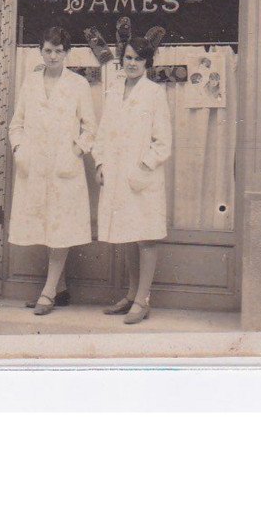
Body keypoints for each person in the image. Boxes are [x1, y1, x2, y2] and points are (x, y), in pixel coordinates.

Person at [8, 26, 97, 315]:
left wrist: (75, 152)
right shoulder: (31, 82)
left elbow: (91, 128)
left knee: (60, 226)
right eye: (48, 50)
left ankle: (47, 291)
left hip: (64, 167)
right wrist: (20, 150)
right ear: (40, 51)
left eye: (59, 51)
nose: (53, 56)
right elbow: (16, 124)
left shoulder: (78, 84)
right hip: (35, 168)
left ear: (67, 53)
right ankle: (60, 288)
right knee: (45, 226)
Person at [93, 37, 173, 324]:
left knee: (146, 237)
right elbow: (102, 134)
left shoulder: (154, 93)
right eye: (128, 58)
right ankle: (130, 295)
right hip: (116, 177)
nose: (132, 63)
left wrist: (142, 167)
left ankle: (143, 299)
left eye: (138, 59)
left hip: (142, 178)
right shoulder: (114, 92)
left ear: (147, 63)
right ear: (121, 59)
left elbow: (163, 143)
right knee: (127, 235)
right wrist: (100, 163)